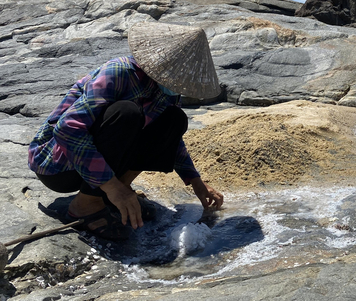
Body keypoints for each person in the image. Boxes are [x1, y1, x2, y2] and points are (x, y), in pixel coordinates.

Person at [28, 22, 225, 240]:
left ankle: (115, 195)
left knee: (174, 119)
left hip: (98, 168)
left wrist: (195, 181)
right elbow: (68, 130)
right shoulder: (119, 73)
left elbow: (170, 139)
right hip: (60, 166)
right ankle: (87, 204)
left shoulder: (167, 89)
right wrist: (112, 187)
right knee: (126, 113)